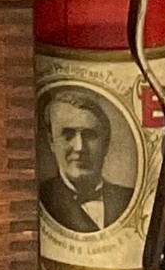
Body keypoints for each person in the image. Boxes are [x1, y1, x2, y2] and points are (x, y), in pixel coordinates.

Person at [39, 86, 132, 232]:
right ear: (51, 141)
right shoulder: (42, 198)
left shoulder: (128, 198)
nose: (79, 147)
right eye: (68, 135)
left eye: (89, 135)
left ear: (106, 143)